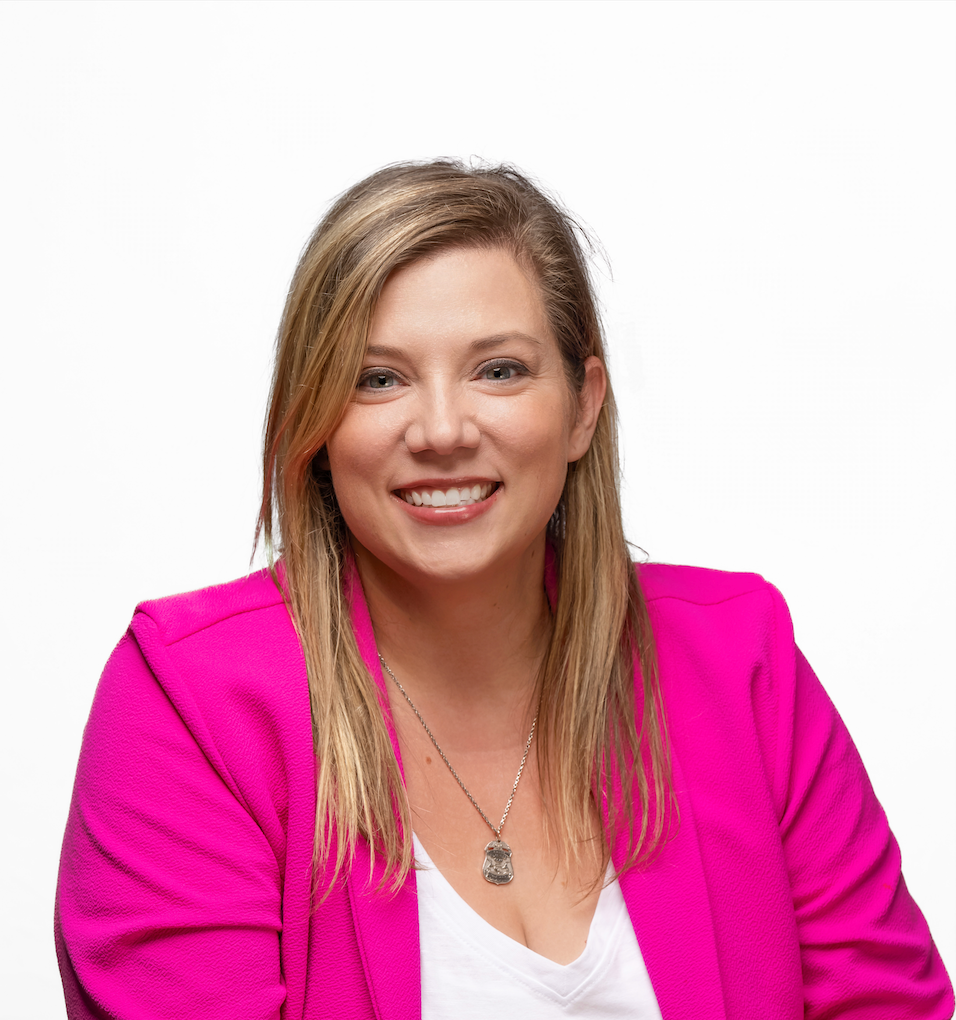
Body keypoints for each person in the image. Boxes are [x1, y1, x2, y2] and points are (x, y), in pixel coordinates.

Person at [55, 161, 953, 1019]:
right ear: (313, 421)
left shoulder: (739, 658)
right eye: (379, 379)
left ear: (583, 405)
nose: (442, 430)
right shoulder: (188, 700)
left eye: (499, 370)